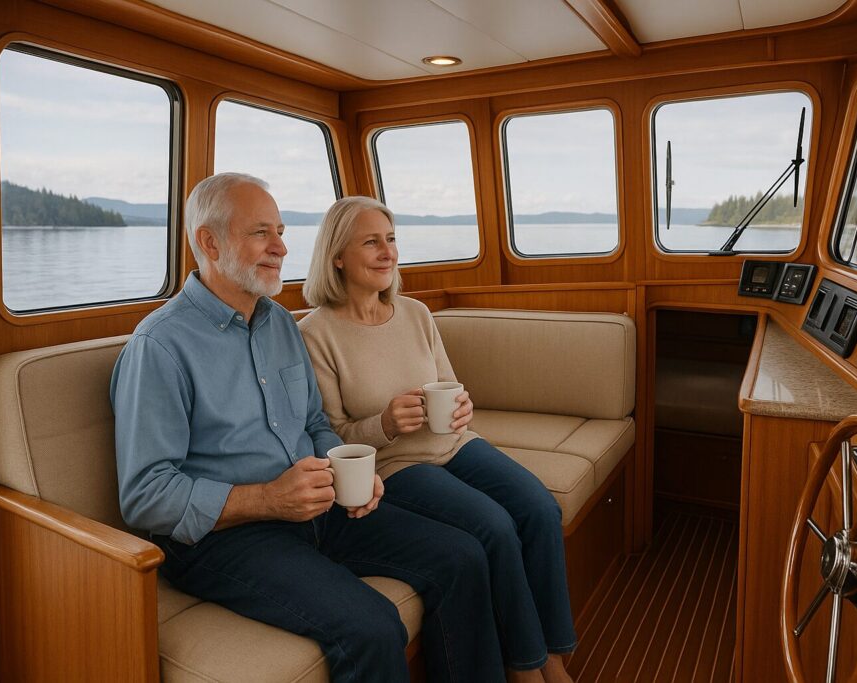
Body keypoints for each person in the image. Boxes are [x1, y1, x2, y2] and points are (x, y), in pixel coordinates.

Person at [110, 173, 505, 683]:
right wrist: (267, 500)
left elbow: (315, 421)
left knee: (463, 555)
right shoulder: (159, 348)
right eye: (261, 233)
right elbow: (144, 496)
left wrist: (347, 471)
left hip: (315, 509)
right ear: (209, 242)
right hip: (228, 538)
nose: (281, 246)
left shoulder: (278, 323)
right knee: (372, 626)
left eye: (279, 231)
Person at [299, 196, 576, 683]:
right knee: (493, 526)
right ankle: (526, 667)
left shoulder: (416, 314)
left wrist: (462, 407)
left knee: (538, 508)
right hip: (398, 467)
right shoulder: (314, 334)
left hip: (456, 445)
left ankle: (552, 654)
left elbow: (450, 384)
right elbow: (332, 435)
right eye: (371, 242)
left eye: (391, 240)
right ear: (337, 255)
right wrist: (383, 423)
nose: (388, 252)